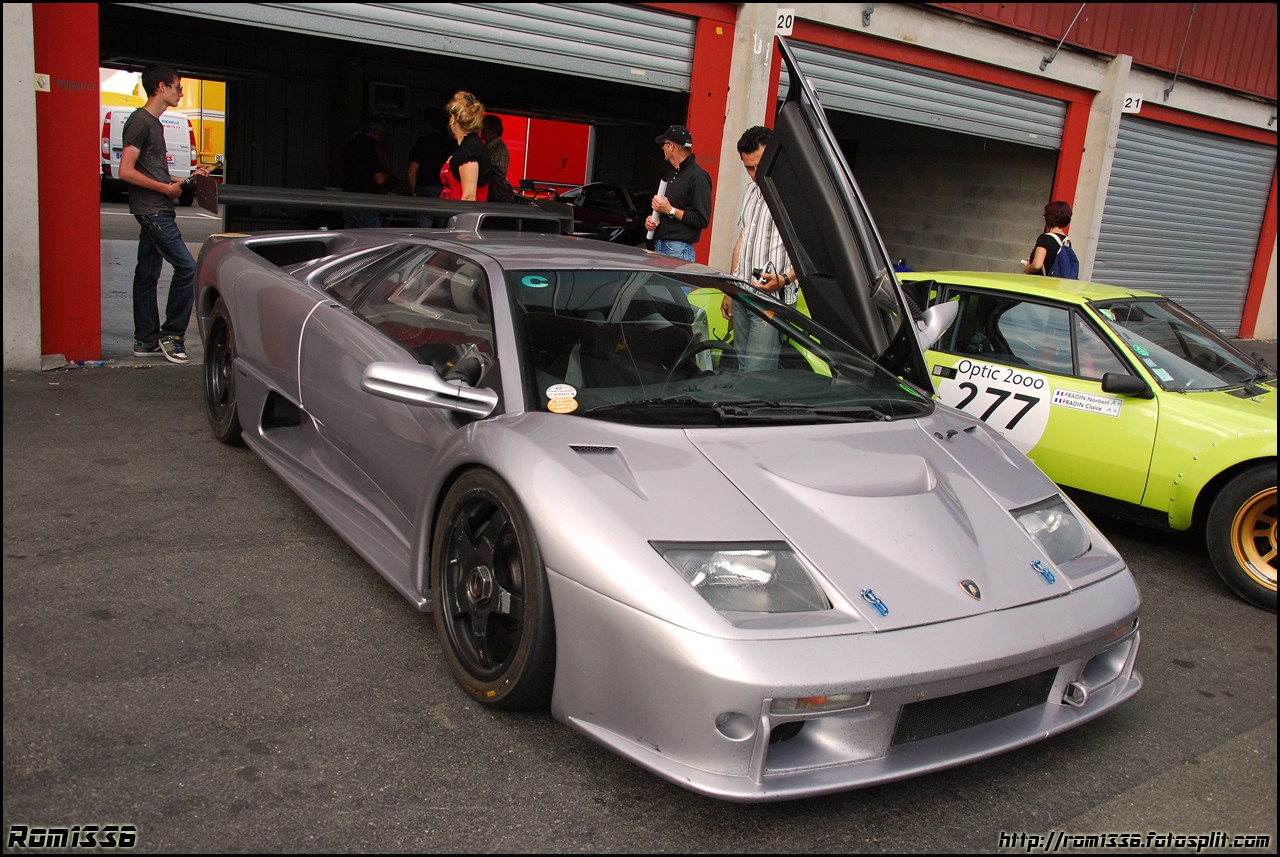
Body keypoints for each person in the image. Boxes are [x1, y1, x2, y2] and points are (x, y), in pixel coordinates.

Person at [118, 63, 208, 365]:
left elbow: (148, 170)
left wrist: (182, 181)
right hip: (153, 211)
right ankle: (172, 336)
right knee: (188, 268)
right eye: (178, 87)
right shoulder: (141, 122)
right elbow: (125, 171)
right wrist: (163, 188)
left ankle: (145, 341)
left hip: (156, 208)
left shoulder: (153, 123)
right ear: (161, 88)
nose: (181, 93)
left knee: (147, 274)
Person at [721, 126, 798, 371]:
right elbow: (742, 241)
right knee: (742, 366)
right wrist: (730, 287)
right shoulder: (751, 192)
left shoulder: (794, 195)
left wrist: (785, 279)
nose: (754, 174)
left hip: (772, 300)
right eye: (748, 168)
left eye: (758, 166)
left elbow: (813, 254)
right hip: (743, 293)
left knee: (757, 371)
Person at [645, 124, 712, 261]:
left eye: (664, 144)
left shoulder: (698, 176)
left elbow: (702, 219)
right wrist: (655, 221)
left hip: (678, 249)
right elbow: (668, 211)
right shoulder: (672, 174)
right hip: (661, 245)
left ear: (672, 146)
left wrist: (670, 210)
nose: (662, 147)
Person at [440, 91, 491, 202]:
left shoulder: (470, 149)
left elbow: (469, 197)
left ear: (452, 119)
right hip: (454, 214)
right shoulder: (467, 146)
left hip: (461, 216)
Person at [341, 114, 390, 228]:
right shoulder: (370, 148)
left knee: (350, 240)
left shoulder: (349, 146)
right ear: (376, 130)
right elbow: (380, 179)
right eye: (382, 130)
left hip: (347, 199)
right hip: (367, 200)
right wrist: (386, 167)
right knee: (370, 241)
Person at [406, 109, 454, 199]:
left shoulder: (422, 142)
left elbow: (411, 172)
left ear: (427, 123)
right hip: (448, 190)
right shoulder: (452, 144)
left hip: (426, 189)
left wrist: (413, 192)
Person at [1022, 200, 1072, 275]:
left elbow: (1037, 265)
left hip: (1043, 283)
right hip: (1057, 284)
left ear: (1050, 218)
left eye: (1045, 215)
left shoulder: (1045, 238)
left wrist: (1028, 268)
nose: (1043, 218)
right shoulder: (1066, 241)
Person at [482, 114, 515, 202]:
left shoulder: (499, 150)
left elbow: (498, 180)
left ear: (493, 130)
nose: (482, 130)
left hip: (494, 200)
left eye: (485, 127)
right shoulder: (489, 147)